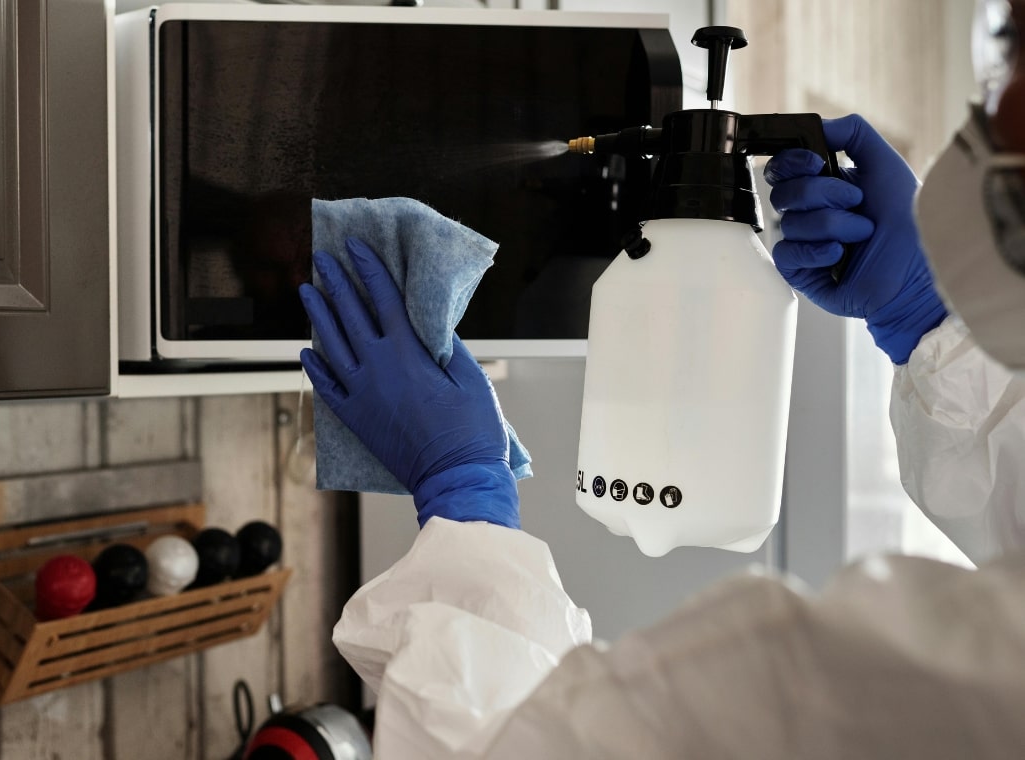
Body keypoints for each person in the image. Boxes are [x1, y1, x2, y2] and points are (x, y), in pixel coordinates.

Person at [295, 1, 1025, 756]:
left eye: (1012, 53)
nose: (994, 103)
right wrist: (933, 326)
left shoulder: (914, 686)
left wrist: (464, 494)